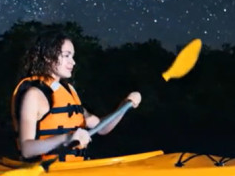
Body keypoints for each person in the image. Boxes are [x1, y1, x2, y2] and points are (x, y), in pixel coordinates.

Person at [11, 31, 141, 162]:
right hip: (45, 170)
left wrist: (125, 105)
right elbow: (27, 149)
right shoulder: (34, 95)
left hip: (73, 168)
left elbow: (102, 128)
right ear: (48, 57)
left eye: (72, 56)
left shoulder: (67, 92)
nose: (73, 62)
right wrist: (67, 138)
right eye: (66, 55)